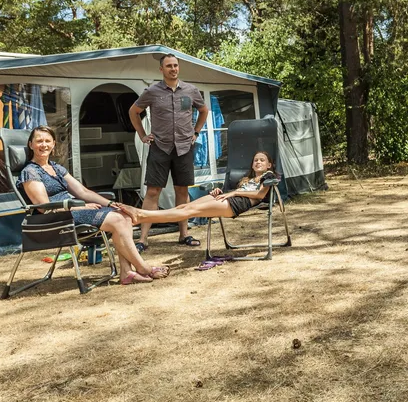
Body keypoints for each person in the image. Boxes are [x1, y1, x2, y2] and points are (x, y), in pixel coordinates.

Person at [19, 125, 169, 285]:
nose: (44, 145)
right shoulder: (30, 172)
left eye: (48, 141)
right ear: (31, 145)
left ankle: (126, 273)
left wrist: (113, 204)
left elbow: (83, 192)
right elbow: (44, 207)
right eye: (39, 141)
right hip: (56, 217)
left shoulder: (56, 168)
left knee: (123, 215)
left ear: (54, 144)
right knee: (118, 220)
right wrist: (79, 207)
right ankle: (144, 268)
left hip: (71, 210)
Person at [128, 53, 209, 250]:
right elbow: (134, 111)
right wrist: (142, 135)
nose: (173, 69)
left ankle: (184, 234)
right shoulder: (152, 91)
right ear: (161, 70)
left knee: (182, 190)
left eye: (175, 65)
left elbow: (204, 110)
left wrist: (196, 132)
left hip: (184, 147)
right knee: (153, 191)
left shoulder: (191, 90)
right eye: (169, 66)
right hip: (160, 147)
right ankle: (143, 239)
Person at [115, 150, 278, 227]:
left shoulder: (269, 176)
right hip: (227, 198)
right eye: (255, 160)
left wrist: (234, 193)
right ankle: (142, 217)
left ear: (269, 165)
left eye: (262, 160)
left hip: (235, 204)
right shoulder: (246, 179)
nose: (257, 162)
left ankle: (142, 215)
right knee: (184, 206)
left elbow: (258, 194)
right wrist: (220, 191)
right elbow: (232, 190)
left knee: (189, 212)